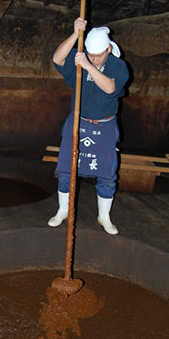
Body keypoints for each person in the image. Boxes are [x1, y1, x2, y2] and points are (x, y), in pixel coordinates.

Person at [48, 17, 129, 235]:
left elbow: (110, 88)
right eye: (90, 54)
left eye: (98, 55)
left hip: (104, 126)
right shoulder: (82, 59)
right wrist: (75, 34)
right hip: (77, 122)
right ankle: (63, 210)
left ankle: (104, 216)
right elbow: (57, 58)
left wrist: (86, 65)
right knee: (66, 168)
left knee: (106, 173)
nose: (94, 59)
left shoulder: (118, 65)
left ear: (108, 49)